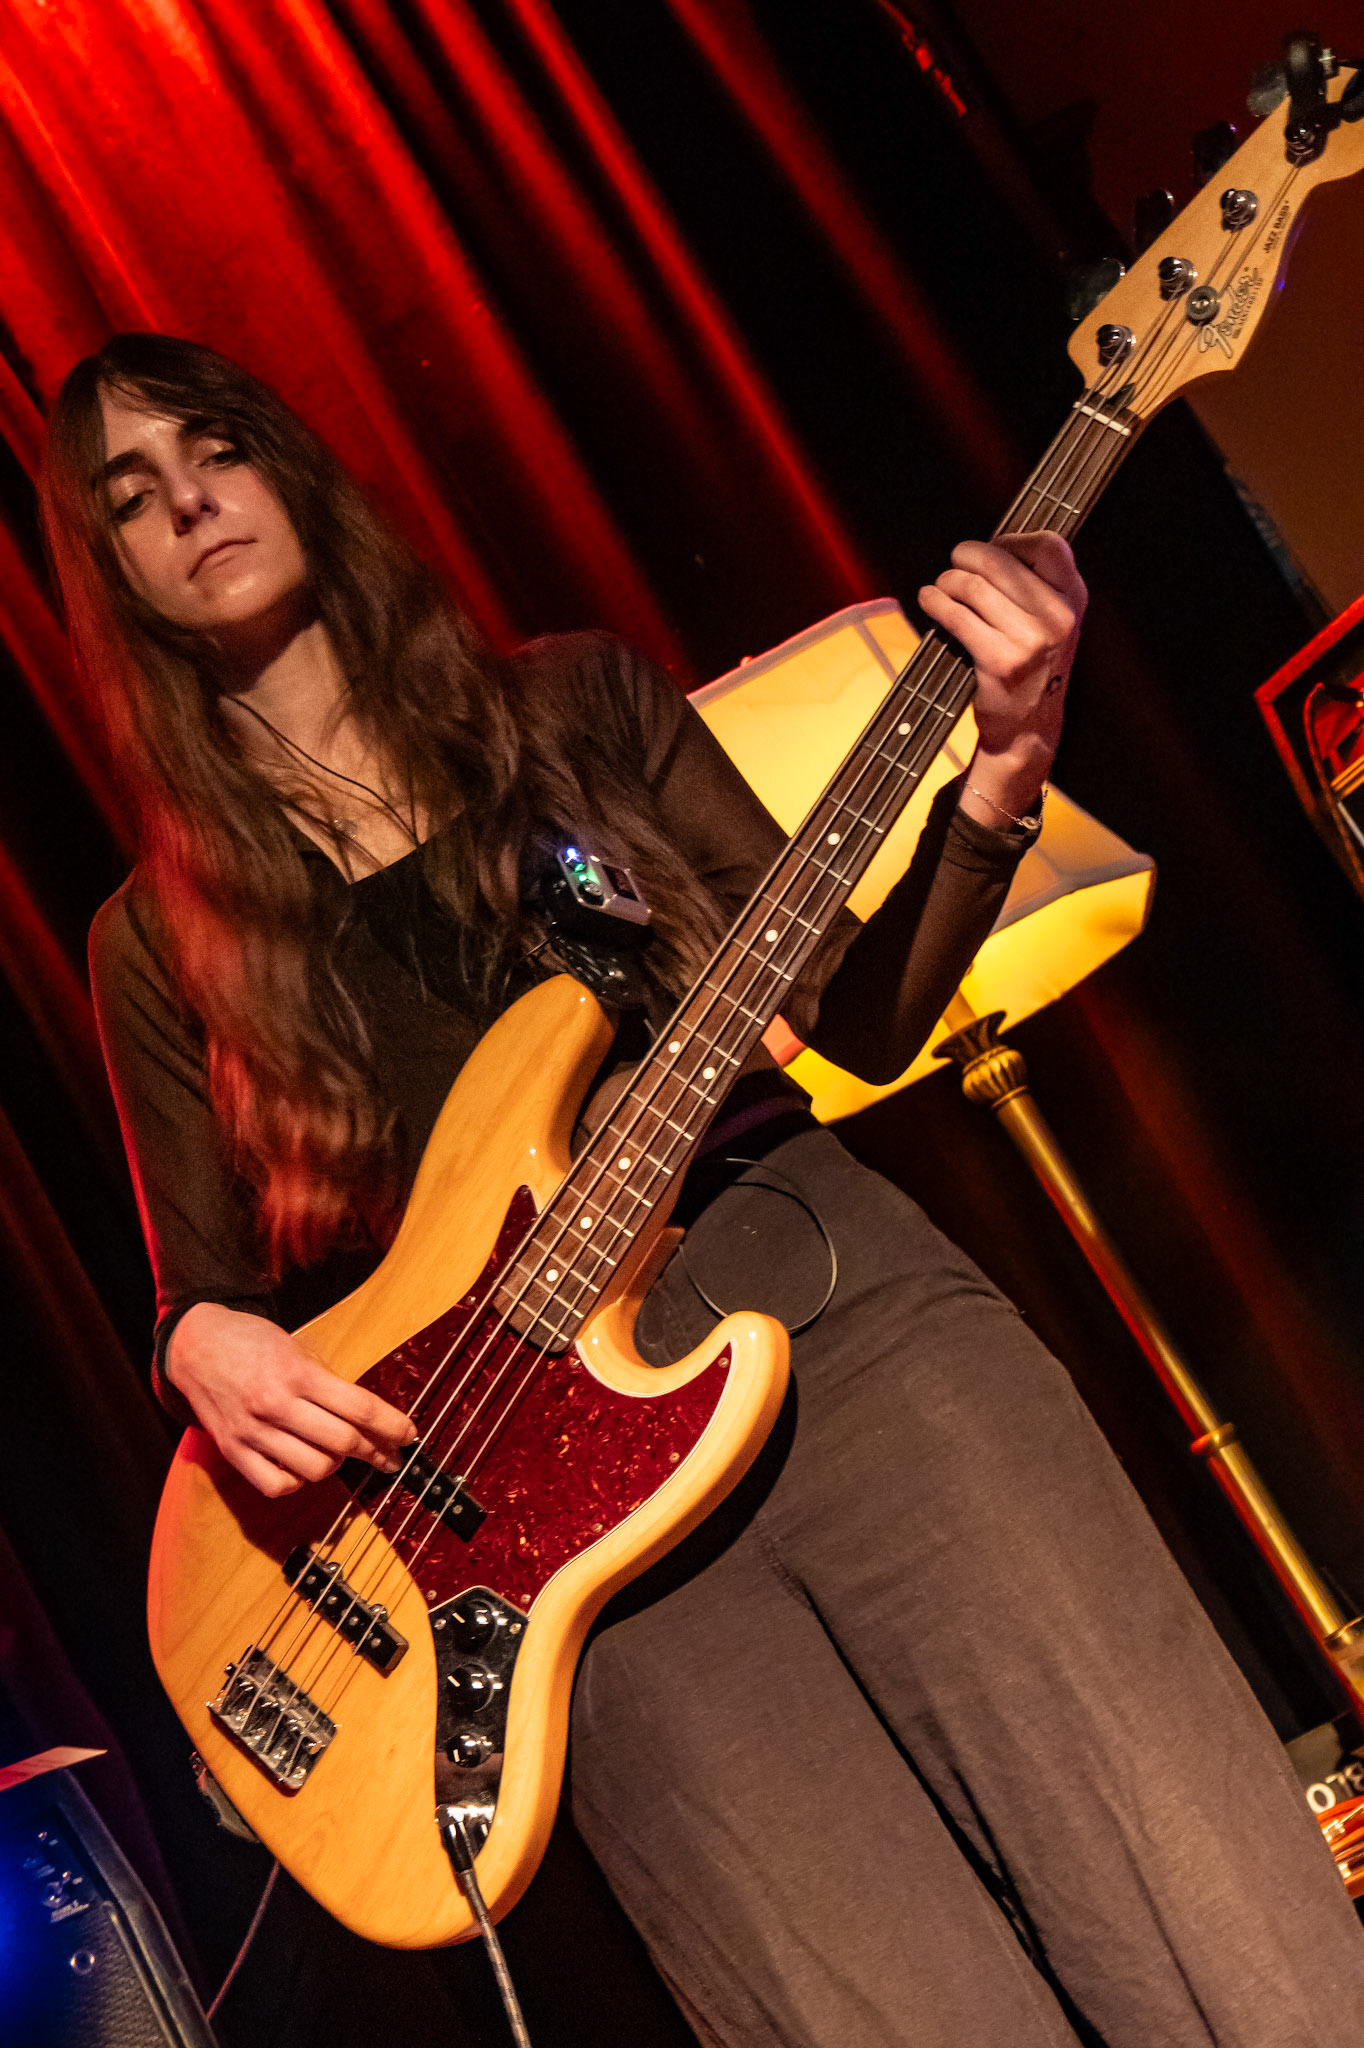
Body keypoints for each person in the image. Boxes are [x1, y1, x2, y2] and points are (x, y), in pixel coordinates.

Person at [49, 332, 1362, 2047]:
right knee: (866, 2010)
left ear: (287, 460)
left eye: (212, 447)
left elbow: (852, 1019)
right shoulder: (160, 942)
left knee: (1189, 1874)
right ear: (116, 578)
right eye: (129, 497)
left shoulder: (574, 706)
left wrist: (999, 778)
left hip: (833, 1321)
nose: (188, 503)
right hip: (541, 1536)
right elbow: (198, 1299)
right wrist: (197, 1349)